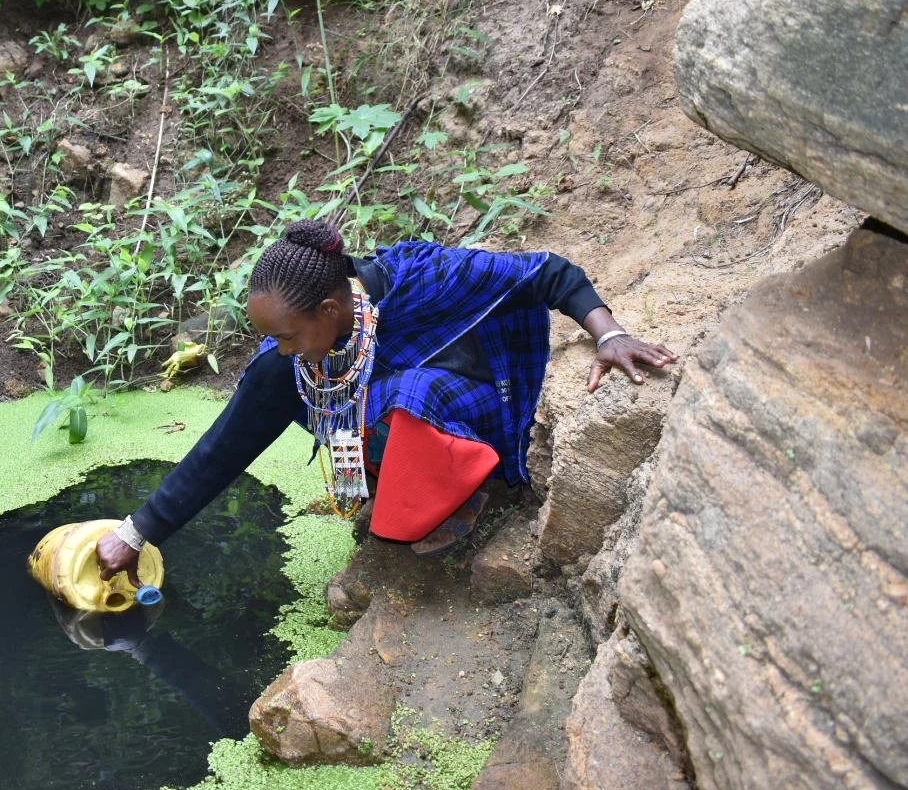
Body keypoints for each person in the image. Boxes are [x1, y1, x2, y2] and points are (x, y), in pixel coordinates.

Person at [98, 220, 677, 577]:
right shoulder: (296, 354)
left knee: (405, 396)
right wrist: (134, 533)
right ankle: (401, 491)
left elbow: (548, 272)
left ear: (329, 310)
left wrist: (609, 334)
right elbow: (225, 445)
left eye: (286, 336)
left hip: (469, 398)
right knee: (341, 400)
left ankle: (464, 491)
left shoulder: (418, 277)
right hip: (397, 418)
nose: (280, 350)